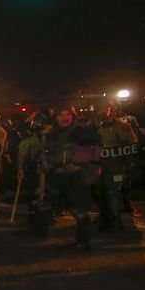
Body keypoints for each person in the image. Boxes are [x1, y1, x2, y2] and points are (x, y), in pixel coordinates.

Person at [43, 107, 102, 250]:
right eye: (60, 115)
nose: (65, 118)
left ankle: (83, 242)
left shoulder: (80, 131)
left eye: (68, 114)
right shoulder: (52, 133)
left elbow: (94, 151)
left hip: (75, 176)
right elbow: (47, 152)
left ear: (73, 115)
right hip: (57, 175)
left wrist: (75, 157)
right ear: (55, 117)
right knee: (48, 205)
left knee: (79, 210)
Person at [96, 109, 138, 231]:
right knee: (100, 192)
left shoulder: (121, 125)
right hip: (98, 165)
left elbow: (132, 143)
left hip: (115, 165)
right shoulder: (93, 125)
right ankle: (105, 217)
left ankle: (115, 220)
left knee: (113, 192)